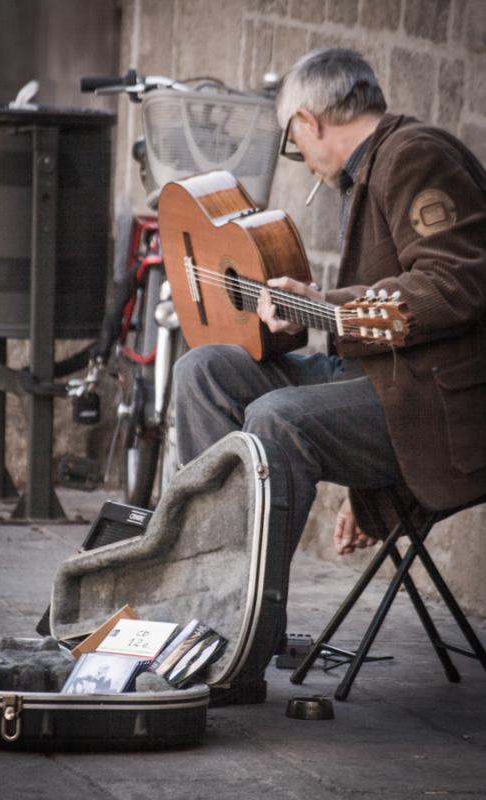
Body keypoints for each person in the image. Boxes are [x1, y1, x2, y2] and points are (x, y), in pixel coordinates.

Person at [174, 48, 486, 559]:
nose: (301, 158)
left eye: (292, 145)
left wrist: (333, 305)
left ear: (306, 121)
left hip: (432, 404)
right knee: (204, 371)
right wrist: (318, 302)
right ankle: (213, 565)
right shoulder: (370, 168)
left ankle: (249, 613)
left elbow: (454, 282)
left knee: (279, 418)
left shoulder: (417, 155)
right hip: (373, 380)